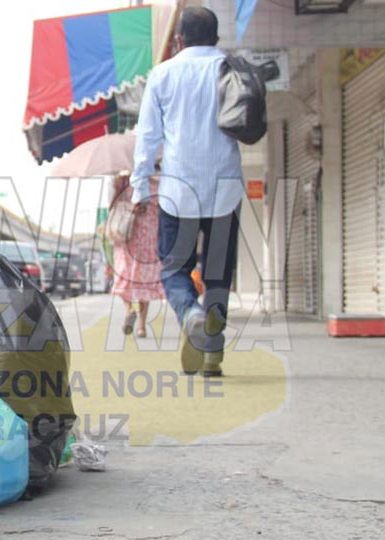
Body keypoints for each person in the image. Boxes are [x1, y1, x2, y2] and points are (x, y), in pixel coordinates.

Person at [131, 7, 242, 377]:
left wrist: (139, 188)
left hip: (179, 191)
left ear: (178, 40)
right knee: (218, 274)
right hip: (225, 189)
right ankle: (212, 354)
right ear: (216, 38)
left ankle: (190, 314)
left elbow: (148, 137)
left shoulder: (163, 74)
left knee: (175, 269)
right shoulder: (231, 67)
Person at [109, 175, 165, 338]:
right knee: (143, 280)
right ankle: (141, 325)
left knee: (124, 276)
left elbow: (111, 207)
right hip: (147, 235)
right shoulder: (158, 182)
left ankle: (130, 309)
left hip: (129, 235)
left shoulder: (124, 181)